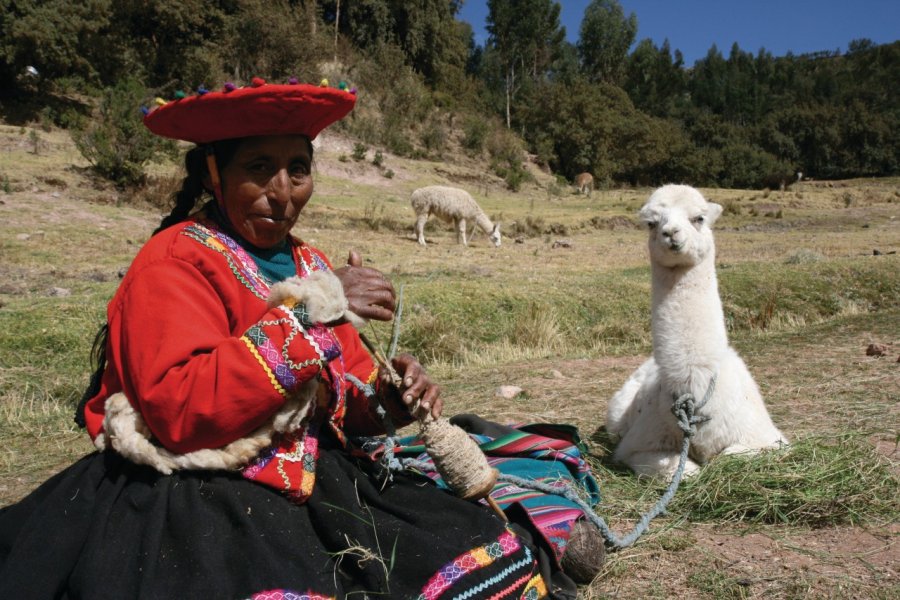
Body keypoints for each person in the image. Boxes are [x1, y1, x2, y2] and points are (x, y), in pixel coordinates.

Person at [0, 79, 597, 598]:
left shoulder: (306, 259)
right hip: (194, 485)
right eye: (258, 168)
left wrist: (390, 399)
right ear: (214, 171)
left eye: (298, 170)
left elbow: (347, 395)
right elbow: (179, 409)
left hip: (310, 470)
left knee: (481, 561)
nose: (282, 192)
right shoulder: (172, 262)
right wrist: (312, 314)